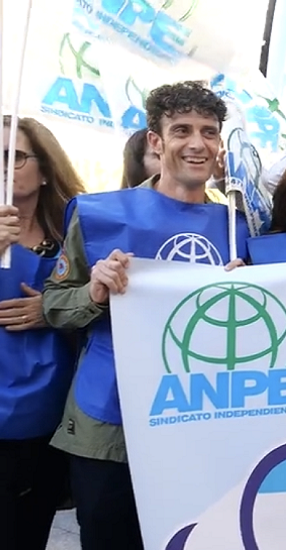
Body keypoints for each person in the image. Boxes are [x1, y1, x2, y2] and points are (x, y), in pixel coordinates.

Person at [42, 81, 250, 550]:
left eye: (209, 132)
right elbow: (53, 306)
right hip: (109, 423)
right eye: (181, 130)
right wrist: (94, 292)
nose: (197, 143)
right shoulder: (97, 214)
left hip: (201, 421)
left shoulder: (238, 228)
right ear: (155, 141)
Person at [0, 116, 84, 549]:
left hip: (50, 418)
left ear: (47, 170)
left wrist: (51, 308)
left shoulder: (77, 233)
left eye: (12, 157)